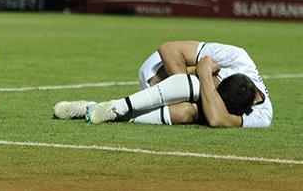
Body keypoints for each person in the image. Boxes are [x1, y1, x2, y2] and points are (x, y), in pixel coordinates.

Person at [53, 41, 272, 128]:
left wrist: (205, 73)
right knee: (194, 85)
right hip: (157, 72)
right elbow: (168, 50)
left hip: (194, 84)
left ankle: (93, 108)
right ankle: (118, 106)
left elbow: (216, 119)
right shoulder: (237, 58)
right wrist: (193, 84)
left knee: (187, 112)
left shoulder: (262, 116)